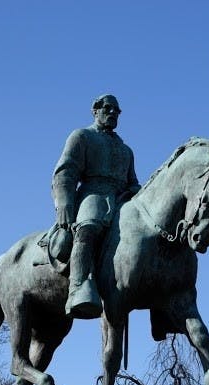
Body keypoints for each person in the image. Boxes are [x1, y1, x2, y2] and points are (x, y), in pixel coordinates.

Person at [52, 94, 140, 318]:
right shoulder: (82, 136)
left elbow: (133, 182)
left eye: (116, 111)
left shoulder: (126, 150)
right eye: (108, 108)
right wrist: (64, 203)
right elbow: (66, 172)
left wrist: (137, 192)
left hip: (122, 200)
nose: (112, 113)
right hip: (93, 193)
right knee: (88, 228)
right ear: (96, 110)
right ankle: (79, 288)